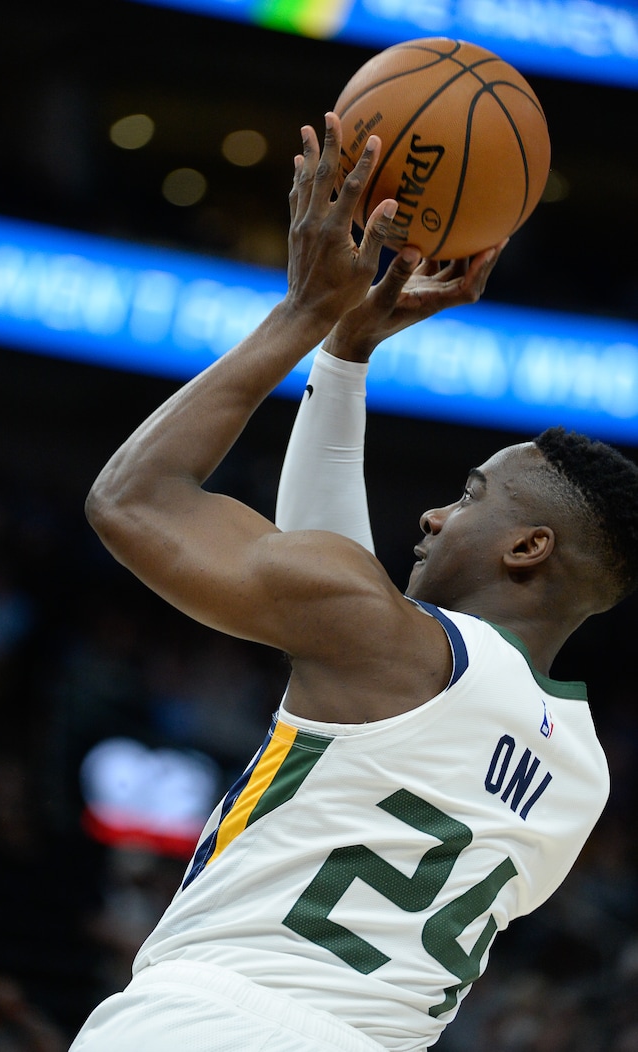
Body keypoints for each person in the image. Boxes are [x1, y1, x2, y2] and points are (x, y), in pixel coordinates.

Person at [70, 114, 638, 1052]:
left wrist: (304, 313)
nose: (435, 515)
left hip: (206, 1022)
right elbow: (338, 580)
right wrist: (345, 357)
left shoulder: (379, 641)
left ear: (528, 548)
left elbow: (133, 500)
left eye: (470, 495)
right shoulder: (581, 777)